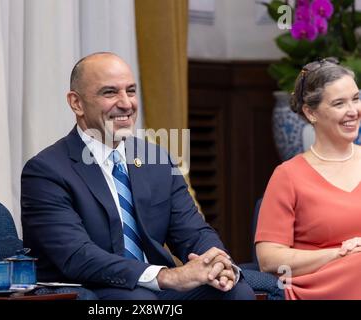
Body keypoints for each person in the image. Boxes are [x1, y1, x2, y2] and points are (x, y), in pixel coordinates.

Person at [21, 52, 254, 300]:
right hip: (90, 289)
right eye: (110, 93)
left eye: (130, 91)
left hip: (155, 289)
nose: (126, 103)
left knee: (235, 293)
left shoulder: (156, 160)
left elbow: (193, 232)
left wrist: (217, 262)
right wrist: (167, 276)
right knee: (138, 301)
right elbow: (77, 256)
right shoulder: (46, 171)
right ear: (76, 103)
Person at [255, 57, 361, 299]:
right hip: (318, 285)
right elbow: (268, 259)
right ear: (310, 112)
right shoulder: (288, 176)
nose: (353, 111)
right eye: (339, 103)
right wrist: (340, 254)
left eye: (355, 99)